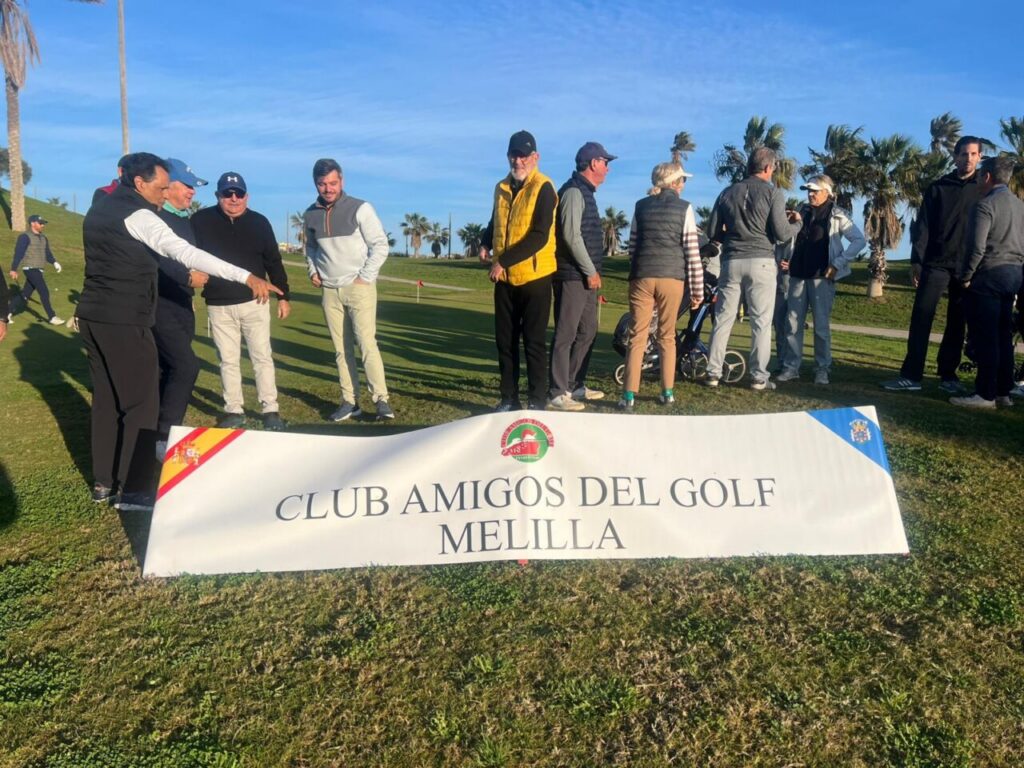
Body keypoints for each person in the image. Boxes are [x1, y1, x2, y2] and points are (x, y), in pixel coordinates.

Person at [78, 152, 281, 511]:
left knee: (107, 402)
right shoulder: (138, 214)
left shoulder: (99, 209)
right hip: (125, 317)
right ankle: (137, 491)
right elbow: (184, 252)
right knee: (142, 403)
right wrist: (246, 276)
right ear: (139, 183)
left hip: (93, 316)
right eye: (160, 187)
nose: (163, 193)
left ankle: (104, 483)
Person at [881, 136, 983, 393]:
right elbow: (923, 226)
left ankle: (948, 375)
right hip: (935, 263)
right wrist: (917, 260)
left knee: (957, 323)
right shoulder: (938, 187)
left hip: (966, 268)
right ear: (955, 157)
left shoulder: (984, 189)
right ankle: (911, 375)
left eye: (973, 154)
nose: (968, 159)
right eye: (963, 154)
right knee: (922, 318)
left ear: (979, 157)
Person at [193, 172, 291, 431]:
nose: (233, 199)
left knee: (262, 357)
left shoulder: (260, 222)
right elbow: (189, 257)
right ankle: (234, 410)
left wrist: (284, 296)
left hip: (255, 301)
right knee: (228, 360)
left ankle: (270, 409)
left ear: (246, 196)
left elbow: (273, 262)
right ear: (218, 196)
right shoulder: (200, 220)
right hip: (218, 303)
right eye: (227, 194)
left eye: (238, 193)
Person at [303, 157, 394, 421]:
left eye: (332, 183)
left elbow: (380, 245)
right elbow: (310, 248)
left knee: (367, 345)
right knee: (341, 350)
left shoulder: (360, 208)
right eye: (322, 184)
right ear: (316, 184)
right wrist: (312, 270)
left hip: (359, 288)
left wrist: (365, 277)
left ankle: (381, 400)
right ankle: (349, 401)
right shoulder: (310, 213)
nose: (328, 189)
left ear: (341, 180)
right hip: (329, 291)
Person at [703, 147, 802, 390]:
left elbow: (712, 232)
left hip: (731, 260)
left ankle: (713, 372)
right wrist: (797, 225)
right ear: (769, 168)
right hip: (761, 261)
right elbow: (781, 234)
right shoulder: (773, 193)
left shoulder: (727, 192)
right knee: (760, 321)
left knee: (724, 319)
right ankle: (759, 376)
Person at [479, 130, 558, 412]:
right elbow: (496, 220)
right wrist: (486, 242)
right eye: (514, 154)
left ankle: (537, 401)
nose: (518, 160)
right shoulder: (501, 186)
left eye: (524, 155)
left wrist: (503, 261)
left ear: (535, 157)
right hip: (505, 280)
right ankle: (508, 399)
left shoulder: (544, 187)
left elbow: (539, 235)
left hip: (535, 278)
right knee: (505, 342)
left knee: (534, 344)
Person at [618, 162, 703, 410]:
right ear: (675, 183)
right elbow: (691, 252)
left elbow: (633, 247)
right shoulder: (684, 208)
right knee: (667, 336)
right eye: (683, 180)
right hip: (671, 277)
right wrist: (697, 291)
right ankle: (667, 391)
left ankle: (629, 395)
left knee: (638, 335)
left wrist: (640, 269)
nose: (684, 184)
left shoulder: (640, 206)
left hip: (642, 276)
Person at [775, 175, 865, 385]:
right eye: (809, 190)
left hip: (822, 277)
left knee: (821, 326)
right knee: (792, 323)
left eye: (815, 190)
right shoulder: (802, 209)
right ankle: (791, 367)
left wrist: (838, 263)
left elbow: (859, 240)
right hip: (797, 274)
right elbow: (789, 237)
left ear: (827, 192)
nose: (811, 194)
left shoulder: (837, 214)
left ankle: (822, 369)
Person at [950, 156, 1024, 409]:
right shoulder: (1020, 206)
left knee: (985, 336)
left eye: (981, 175)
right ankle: (1003, 391)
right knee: (1004, 335)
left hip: (989, 274)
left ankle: (985, 394)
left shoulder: (985, 206)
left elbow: (976, 247)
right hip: (1014, 273)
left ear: (988, 177)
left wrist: (966, 277)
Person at [547, 141, 616, 411]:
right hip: (572, 275)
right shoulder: (574, 192)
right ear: (593, 164)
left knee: (588, 331)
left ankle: (574, 385)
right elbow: (570, 236)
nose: (608, 168)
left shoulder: (587, 193)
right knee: (566, 333)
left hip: (586, 276)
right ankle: (556, 391)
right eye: (605, 162)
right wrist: (590, 270)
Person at [151, 158, 210, 458]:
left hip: (182, 304)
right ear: (168, 185)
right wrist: (188, 276)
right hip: (159, 305)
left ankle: (159, 434)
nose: (191, 192)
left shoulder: (183, 220)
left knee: (169, 368)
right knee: (187, 366)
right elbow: (156, 262)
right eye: (187, 186)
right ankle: (165, 437)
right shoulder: (155, 218)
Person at [9, 215, 64, 325]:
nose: (42, 225)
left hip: (39, 269)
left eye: (43, 223)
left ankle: (6, 312)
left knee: (25, 294)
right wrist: (13, 269)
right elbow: (18, 254)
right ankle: (52, 317)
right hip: (30, 268)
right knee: (44, 291)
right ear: (32, 223)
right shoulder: (24, 237)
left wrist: (54, 262)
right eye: (40, 223)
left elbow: (47, 253)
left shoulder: (44, 238)